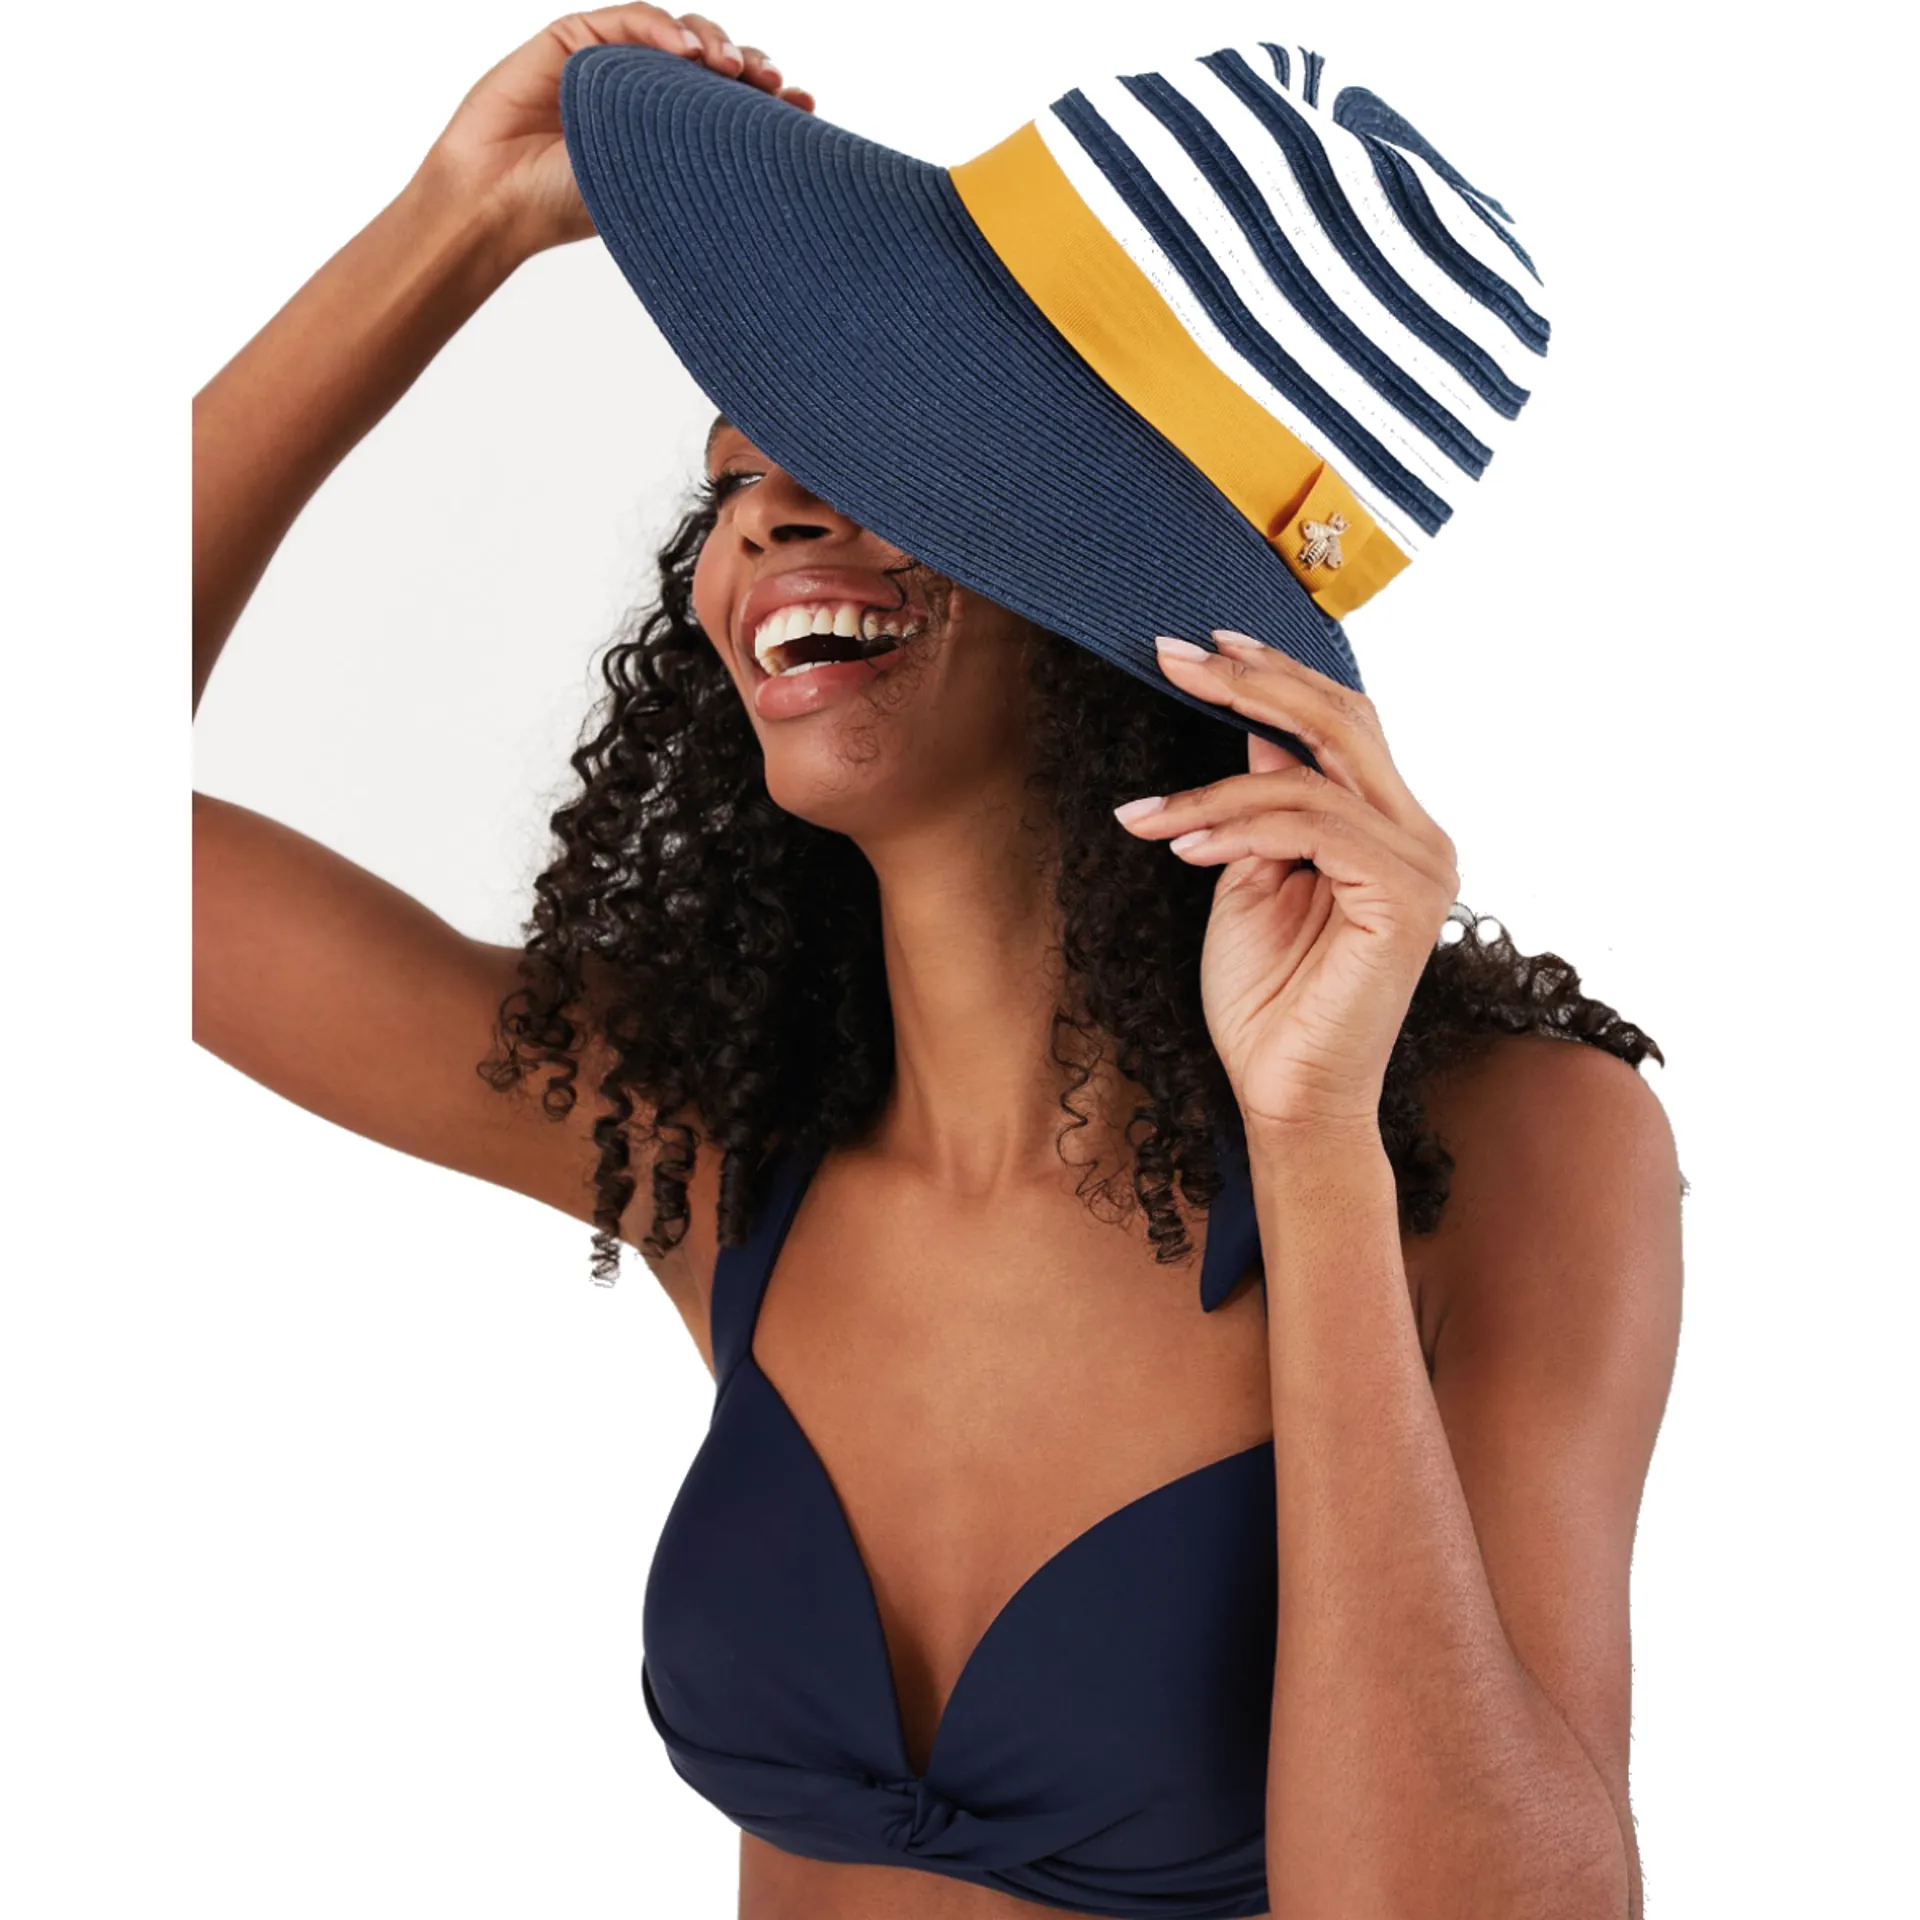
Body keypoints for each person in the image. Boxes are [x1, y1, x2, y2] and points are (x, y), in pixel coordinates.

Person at [193, 10, 1686, 1919]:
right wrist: (451, 231)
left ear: (1152, 614)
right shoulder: (718, 1132)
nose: (774, 516)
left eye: (902, 456)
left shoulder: (1509, 1145)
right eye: (739, 477)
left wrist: (1309, 1143)